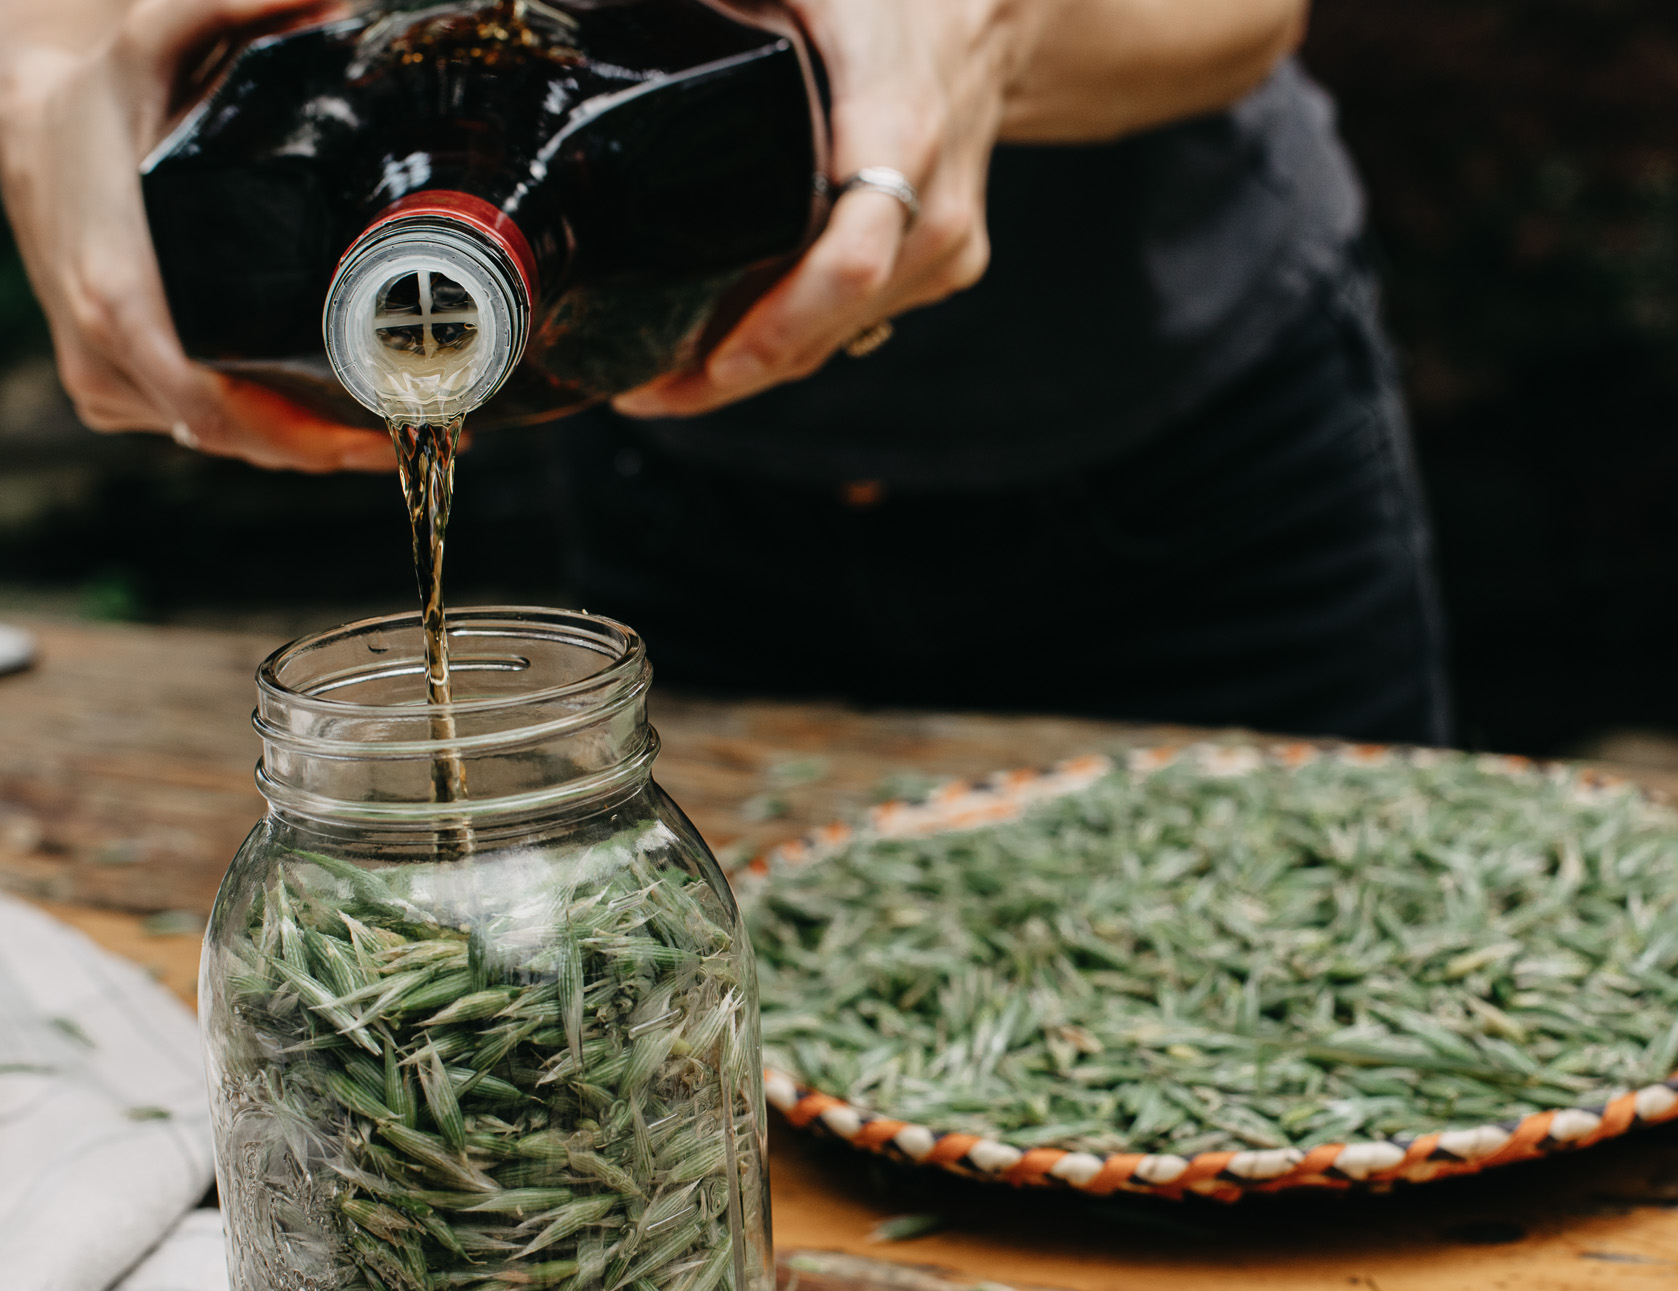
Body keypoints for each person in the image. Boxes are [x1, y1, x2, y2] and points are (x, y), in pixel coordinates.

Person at [0, 0, 1450, 743]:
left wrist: (985, 31)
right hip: (680, 488)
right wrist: (51, 76)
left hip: (1195, 452)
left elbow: (1248, 18)